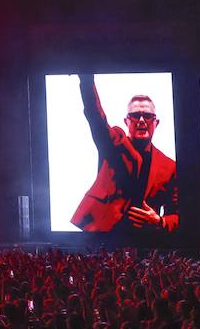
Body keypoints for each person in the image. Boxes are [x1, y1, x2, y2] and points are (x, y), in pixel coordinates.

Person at [71, 74, 178, 232]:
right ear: (126, 121)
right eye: (135, 116)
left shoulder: (170, 167)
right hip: (104, 234)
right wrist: (86, 79)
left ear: (156, 123)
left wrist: (159, 221)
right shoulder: (114, 144)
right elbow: (96, 117)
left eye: (148, 116)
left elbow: (178, 215)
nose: (141, 120)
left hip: (144, 241)